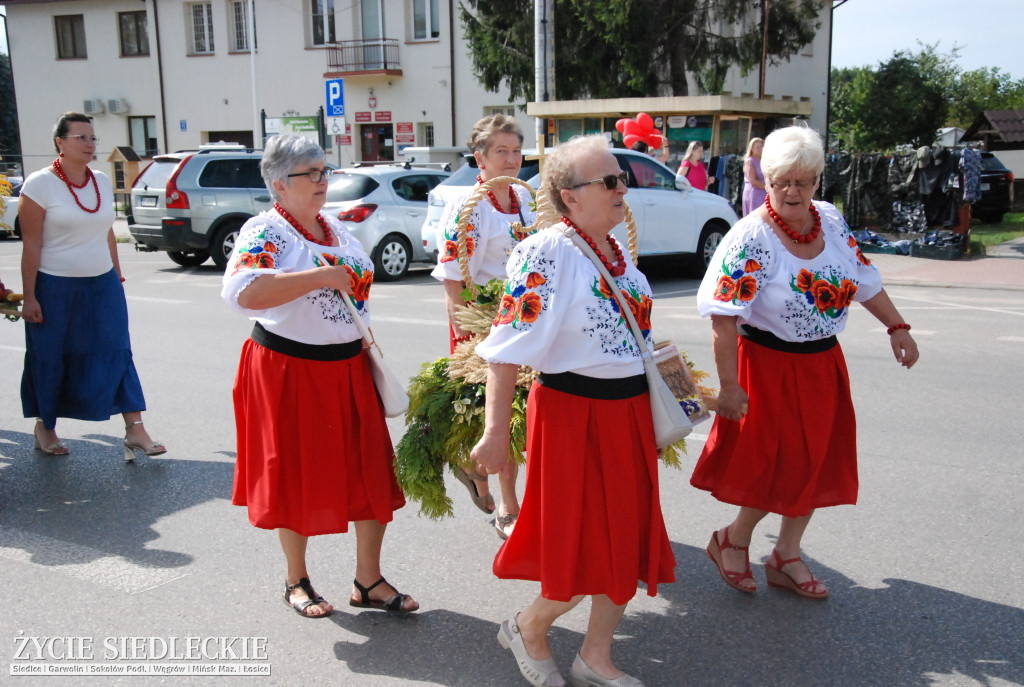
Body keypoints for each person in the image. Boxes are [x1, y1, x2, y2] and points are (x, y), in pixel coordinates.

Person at [472, 134, 675, 687]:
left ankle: (596, 656)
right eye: (608, 180)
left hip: (628, 414)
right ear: (568, 197)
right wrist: (495, 432)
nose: (620, 188)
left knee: (627, 539)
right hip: (572, 415)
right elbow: (506, 347)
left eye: (620, 178)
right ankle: (529, 626)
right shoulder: (546, 252)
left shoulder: (620, 254)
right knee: (579, 542)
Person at [692, 126, 919, 599]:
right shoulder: (751, 238)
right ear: (766, 181)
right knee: (769, 466)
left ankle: (786, 554)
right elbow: (724, 319)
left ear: (818, 180)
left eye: (803, 180)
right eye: (781, 182)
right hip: (767, 364)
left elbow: (863, 279)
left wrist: (897, 327)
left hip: (821, 363)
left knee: (815, 461)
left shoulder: (830, 221)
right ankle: (732, 540)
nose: (792, 191)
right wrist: (729, 386)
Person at [222, 134, 417, 618]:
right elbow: (244, 291)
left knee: (370, 470)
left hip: (348, 366)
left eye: (324, 171)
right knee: (293, 475)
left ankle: (368, 580)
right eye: (309, 174)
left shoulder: (335, 229)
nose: (321, 181)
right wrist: (319, 277)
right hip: (289, 369)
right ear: (277, 185)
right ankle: (296, 579)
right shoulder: (265, 231)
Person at [19, 111, 164, 461]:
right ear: (60, 143)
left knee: (117, 350)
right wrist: (30, 296)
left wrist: (117, 276)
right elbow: (32, 245)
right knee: (51, 357)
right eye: (80, 138)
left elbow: (107, 232)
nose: (89, 144)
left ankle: (135, 428)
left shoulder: (98, 180)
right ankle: (46, 427)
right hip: (55, 287)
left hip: (102, 286)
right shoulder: (39, 185)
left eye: (92, 138)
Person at [432, 114, 536, 538]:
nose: (511, 159)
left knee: (525, 414)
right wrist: (467, 341)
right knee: (507, 415)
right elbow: (455, 282)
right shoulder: (468, 207)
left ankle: (473, 466)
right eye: (501, 152)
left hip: (526, 319)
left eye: (515, 150)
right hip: (487, 325)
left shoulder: (525, 200)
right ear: (480, 158)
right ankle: (508, 506)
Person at [741, 137, 766, 215]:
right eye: (757, 147)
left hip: (764, 192)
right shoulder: (750, 161)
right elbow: (752, 181)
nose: (760, 149)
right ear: (751, 149)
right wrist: (767, 187)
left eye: (762, 146)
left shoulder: (764, 160)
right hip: (754, 193)